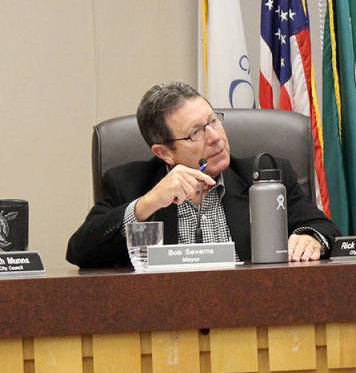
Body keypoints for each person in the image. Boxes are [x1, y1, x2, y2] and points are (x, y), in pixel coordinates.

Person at [67, 82, 340, 268]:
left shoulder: (264, 177)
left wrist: (310, 236)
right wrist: (147, 204)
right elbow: (79, 252)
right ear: (164, 152)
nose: (215, 137)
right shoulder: (129, 184)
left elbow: (324, 228)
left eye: (213, 121)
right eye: (196, 132)